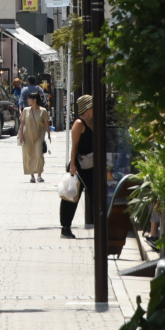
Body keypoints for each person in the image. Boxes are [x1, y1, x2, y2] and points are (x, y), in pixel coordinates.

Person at [60, 94, 101, 238]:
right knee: (72, 196)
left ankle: (101, 224)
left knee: (96, 193)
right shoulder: (79, 123)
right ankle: (65, 227)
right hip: (78, 165)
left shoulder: (93, 122)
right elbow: (74, 146)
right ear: (88, 108)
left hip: (91, 165)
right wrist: (72, 165)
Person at [19, 90, 49, 183]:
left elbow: (46, 124)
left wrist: (49, 135)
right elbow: (22, 123)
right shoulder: (26, 110)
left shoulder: (43, 111)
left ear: (34, 100)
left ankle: (39, 174)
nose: (28, 100)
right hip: (28, 136)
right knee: (29, 155)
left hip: (39, 136)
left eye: (29, 99)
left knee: (39, 155)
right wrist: (21, 135)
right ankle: (32, 175)